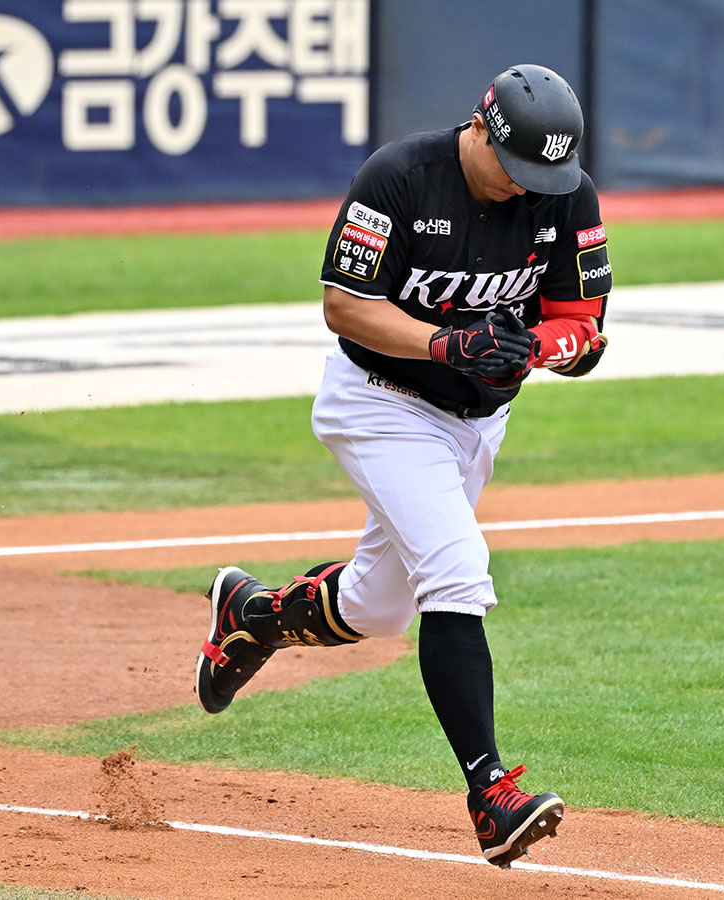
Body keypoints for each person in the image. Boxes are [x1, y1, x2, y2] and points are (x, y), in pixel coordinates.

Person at [194, 63, 611, 869]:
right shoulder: (401, 177)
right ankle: (491, 795)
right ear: (483, 130)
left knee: (379, 606)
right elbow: (343, 305)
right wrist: (446, 342)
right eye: (521, 168)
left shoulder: (566, 195)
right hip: (378, 400)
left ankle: (251, 617)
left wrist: (536, 348)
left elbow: (584, 324)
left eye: (546, 175)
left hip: (475, 423)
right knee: (457, 573)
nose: (533, 189)